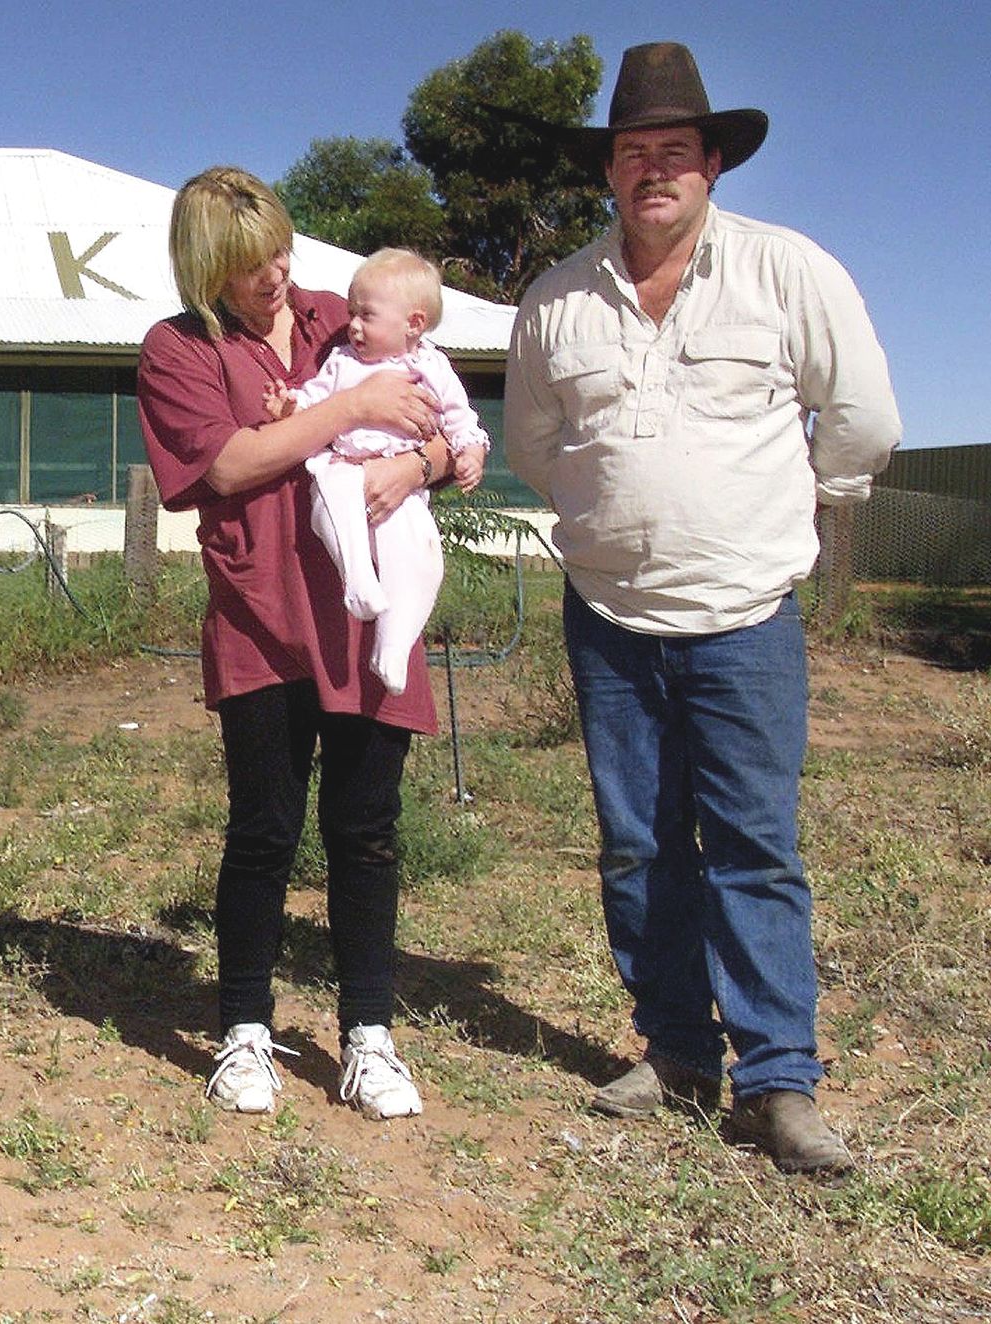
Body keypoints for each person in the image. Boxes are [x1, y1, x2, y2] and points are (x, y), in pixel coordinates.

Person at [504, 43, 900, 1173]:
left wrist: (799, 503)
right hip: (609, 619)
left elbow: (861, 416)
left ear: (712, 163)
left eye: (674, 150)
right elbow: (532, 444)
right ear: (608, 170)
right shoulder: (554, 299)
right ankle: (676, 1051)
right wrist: (616, 515)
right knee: (636, 847)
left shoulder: (787, 271)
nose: (654, 170)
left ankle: (779, 1082)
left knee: (751, 848)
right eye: (634, 152)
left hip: (744, 619)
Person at [137, 166, 467, 1121]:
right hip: (260, 618)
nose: (274, 275)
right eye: (248, 265)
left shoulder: (346, 316)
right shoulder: (179, 350)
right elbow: (229, 463)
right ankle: (243, 1029)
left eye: (280, 251)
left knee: (366, 833)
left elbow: (446, 424)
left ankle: (369, 1035)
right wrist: (351, 411)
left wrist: (423, 463)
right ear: (205, 269)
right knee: (263, 831)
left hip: (366, 621)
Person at [265, 248, 491, 695]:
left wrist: (471, 452)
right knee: (328, 505)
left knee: (420, 558)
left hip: (402, 488)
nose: (352, 324)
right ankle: (357, 579)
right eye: (352, 312)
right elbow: (312, 398)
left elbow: (460, 417)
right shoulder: (342, 361)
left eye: (366, 315)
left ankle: (394, 643)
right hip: (344, 465)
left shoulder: (431, 367)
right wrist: (289, 406)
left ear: (414, 323)